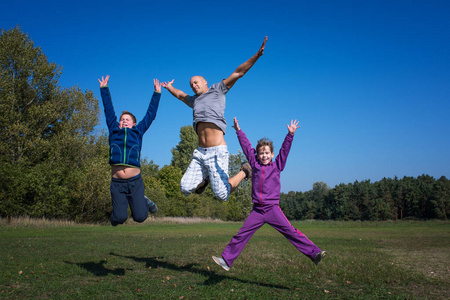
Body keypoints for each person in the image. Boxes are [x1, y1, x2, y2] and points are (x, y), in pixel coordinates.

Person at [161, 36, 268, 201]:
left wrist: (257, 55)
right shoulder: (193, 100)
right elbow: (180, 96)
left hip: (217, 151)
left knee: (222, 195)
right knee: (185, 188)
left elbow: (239, 72)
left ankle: (245, 171)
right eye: (191, 85)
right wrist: (169, 87)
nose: (193, 85)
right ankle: (206, 177)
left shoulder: (217, 89)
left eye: (196, 82)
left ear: (205, 82)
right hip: (200, 152)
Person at [212, 117, 326, 271]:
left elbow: (285, 151)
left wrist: (290, 135)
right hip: (257, 211)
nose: (264, 155)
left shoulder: (277, 165)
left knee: (291, 232)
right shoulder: (254, 164)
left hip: (272, 209)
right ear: (257, 155)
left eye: (267, 153)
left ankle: (315, 253)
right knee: (241, 235)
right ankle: (226, 261)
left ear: (272, 154)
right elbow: (246, 147)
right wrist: (238, 131)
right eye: (261, 153)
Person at [99, 75, 161, 226]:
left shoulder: (138, 131)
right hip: (117, 183)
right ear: (119, 124)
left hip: (135, 182)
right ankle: (116, 217)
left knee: (140, 217)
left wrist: (157, 94)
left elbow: (150, 115)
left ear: (133, 123)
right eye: (122, 119)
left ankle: (143, 201)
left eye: (127, 119)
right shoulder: (114, 130)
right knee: (119, 218)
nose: (124, 120)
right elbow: (108, 110)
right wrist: (104, 89)